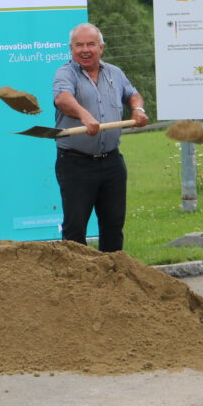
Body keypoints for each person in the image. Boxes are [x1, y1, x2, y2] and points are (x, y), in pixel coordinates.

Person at [51, 22, 149, 252]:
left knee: (113, 224)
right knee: (75, 228)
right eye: (79, 45)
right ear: (71, 49)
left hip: (112, 163)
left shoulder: (115, 73)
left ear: (101, 47)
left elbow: (133, 95)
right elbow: (63, 99)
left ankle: (113, 277)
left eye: (91, 44)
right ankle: (78, 280)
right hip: (76, 163)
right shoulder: (65, 73)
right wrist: (85, 115)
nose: (85, 50)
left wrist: (138, 110)